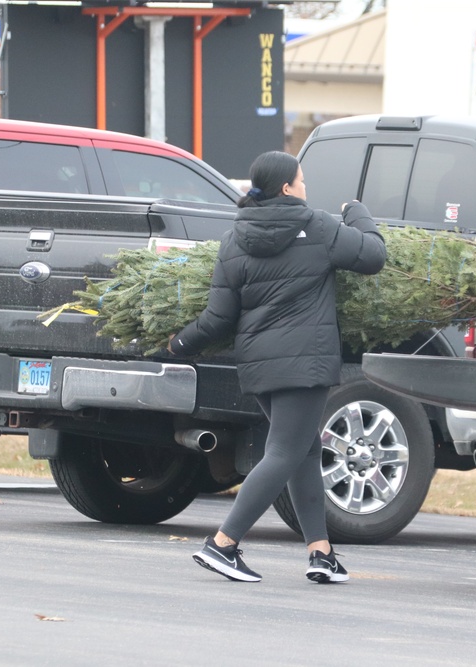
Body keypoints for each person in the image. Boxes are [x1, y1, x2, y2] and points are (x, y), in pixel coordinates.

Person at [168, 150, 386, 583]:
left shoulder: (235, 238)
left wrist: (179, 343)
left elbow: (219, 318)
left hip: (258, 367)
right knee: (286, 451)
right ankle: (223, 545)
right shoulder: (318, 226)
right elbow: (374, 256)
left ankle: (321, 553)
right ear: (286, 187)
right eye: (301, 181)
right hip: (304, 363)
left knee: (302, 450)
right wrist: (358, 214)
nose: (306, 188)